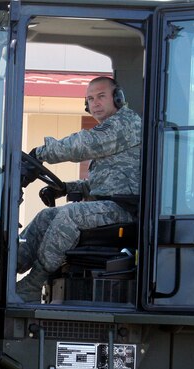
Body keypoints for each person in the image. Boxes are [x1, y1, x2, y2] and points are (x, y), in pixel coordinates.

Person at [16, 76, 142, 302]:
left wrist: (40, 153)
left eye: (101, 96)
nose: (95, 103)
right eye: (90, 99)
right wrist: (64, 188)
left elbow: (82, 145)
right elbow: (100, 185)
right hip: (110, 205)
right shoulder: (110, 129)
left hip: (125, 209)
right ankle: (7, 266)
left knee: (70, 215)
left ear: (118, 98)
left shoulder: (126, 124)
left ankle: (33, 284)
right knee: (45, 216)